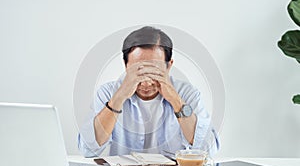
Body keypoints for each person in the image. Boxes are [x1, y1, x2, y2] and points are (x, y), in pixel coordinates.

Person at [78, 26, 219, 157]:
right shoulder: (108, 93)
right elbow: (88, 149)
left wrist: (176, 101)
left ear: (169, 66)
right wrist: (118, 98)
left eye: (154, 70)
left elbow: (208, 151)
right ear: (126, 66)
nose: (146, 82)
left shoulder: (187, 93)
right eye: (138, 70)